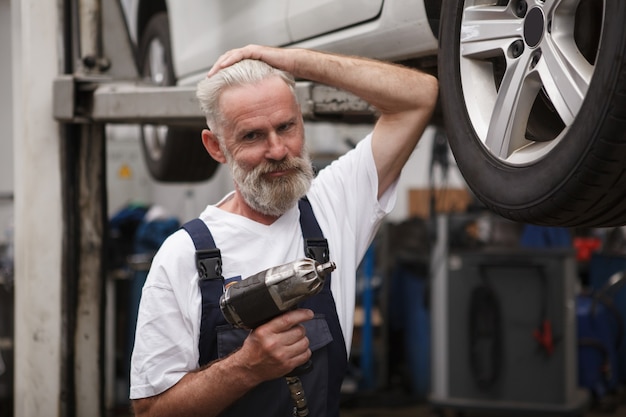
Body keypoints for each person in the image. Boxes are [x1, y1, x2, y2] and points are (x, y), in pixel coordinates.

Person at [130, 44, 438, 417]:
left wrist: (295, 61)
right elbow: (149, 411)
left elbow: (418, 96)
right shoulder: (183, 257)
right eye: (252, 136)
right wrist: (246, 367)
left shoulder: (333, 207)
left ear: (301, 124)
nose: (277, 150)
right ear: (216, 147)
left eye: (286, 127)